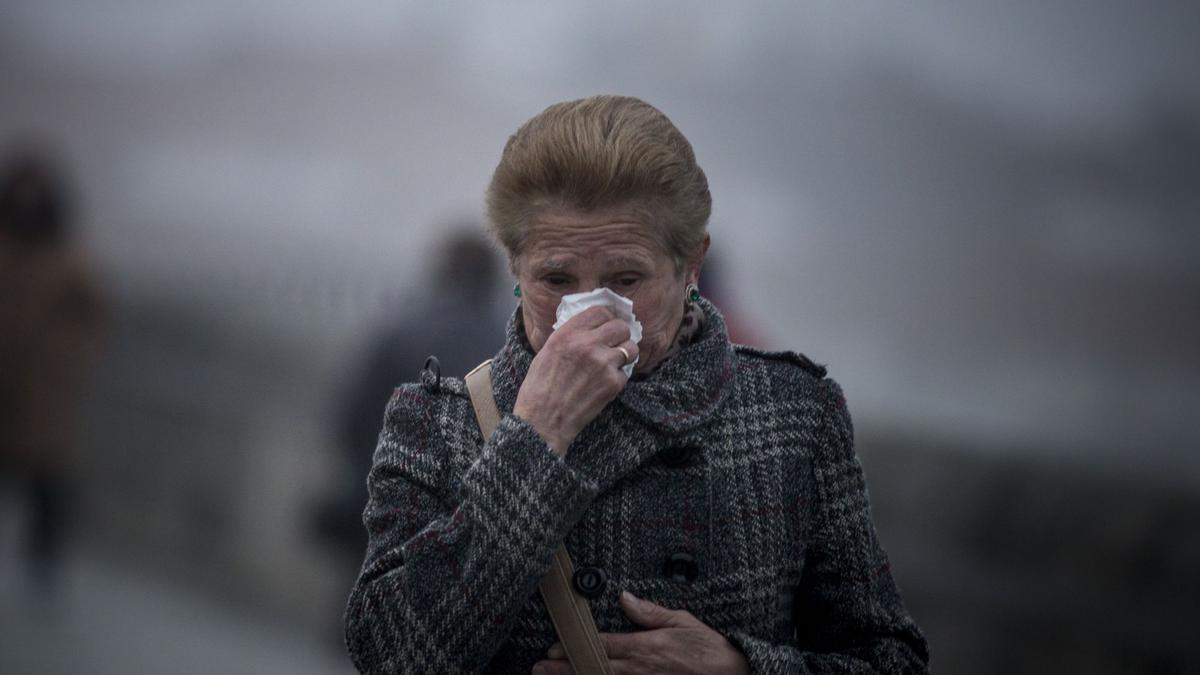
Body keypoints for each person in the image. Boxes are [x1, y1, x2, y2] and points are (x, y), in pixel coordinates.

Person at [344, 96, 929, 673]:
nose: (591, 309)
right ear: (514, 269)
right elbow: (393, 657)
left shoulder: (795, 413)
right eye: (556, 278)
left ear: (690, 266)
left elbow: (890, 660)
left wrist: (743, 669)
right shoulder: (436, 421)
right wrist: (535, 437)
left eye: (626, 277)